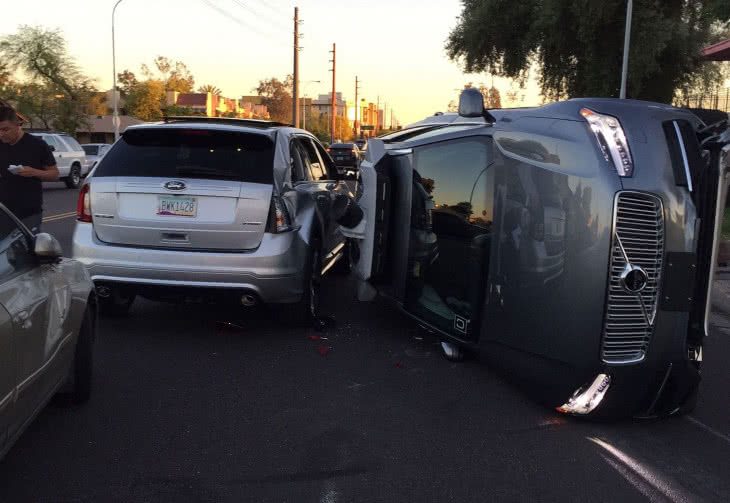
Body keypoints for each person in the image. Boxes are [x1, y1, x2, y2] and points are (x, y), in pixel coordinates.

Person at [0, 106, 59, 233]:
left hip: (29, 213)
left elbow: (54, 174)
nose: (1, 134)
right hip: (3, 212)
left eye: (5, 129)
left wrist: (34, 172)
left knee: (27, 250)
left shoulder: (37, 145)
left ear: (18, 125)